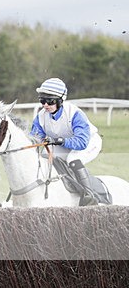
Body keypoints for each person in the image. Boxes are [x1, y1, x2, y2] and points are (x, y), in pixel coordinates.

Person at [30, 77, 102, 206]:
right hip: (62, 143)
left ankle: (89, 195)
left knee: (72, 159)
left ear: (61, 100)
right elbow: (34, 139)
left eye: (50, 101)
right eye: (42, 101)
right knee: (44, 157)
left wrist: (60, 141)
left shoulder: (75, 114)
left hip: (89, 142)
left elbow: (81, 142)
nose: (45, 105)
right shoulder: (41, 117)